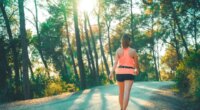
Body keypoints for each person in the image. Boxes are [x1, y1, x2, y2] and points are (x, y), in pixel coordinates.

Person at [109, 34, 139, 110]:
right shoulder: (133, 51)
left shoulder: (118, 51)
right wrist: (137, 70)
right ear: (129, 41)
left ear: (121, 41)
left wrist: (111, 72)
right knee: (126, 93)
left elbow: (115, 63)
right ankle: (123, 109)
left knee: (121, 92)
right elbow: (136, 64)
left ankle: (121, 108)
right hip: (129, 72)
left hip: (119, 73)